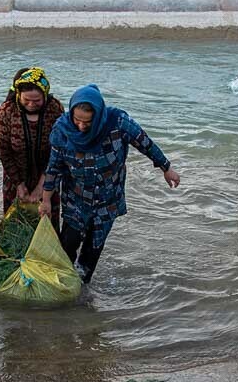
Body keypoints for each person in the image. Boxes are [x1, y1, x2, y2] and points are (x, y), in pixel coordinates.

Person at [38, 84, 181, 284]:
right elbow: (54, 167)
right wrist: (45, 199)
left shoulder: (118, 123)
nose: (80, 126)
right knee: (67, 245)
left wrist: (166, 167)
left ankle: (81, 291)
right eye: (77, 119)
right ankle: (61, 287)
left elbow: (144, 142)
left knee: (92, 250)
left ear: (98, 115)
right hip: (75, 199)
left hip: (107, 199)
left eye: (87, 122)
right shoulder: (62, 130)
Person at [0, 66, 66, 228]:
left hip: (49, 173)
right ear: (18, 95)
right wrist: (19, 184)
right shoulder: (7, 111)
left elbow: (59, 151)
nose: (31, 104)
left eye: (37, 100)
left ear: (45, 95)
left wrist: (43, 185)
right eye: (26, 100)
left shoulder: (55, 109)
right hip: (15, 175)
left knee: (47, 221)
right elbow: (4, 152)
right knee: (16, 224)